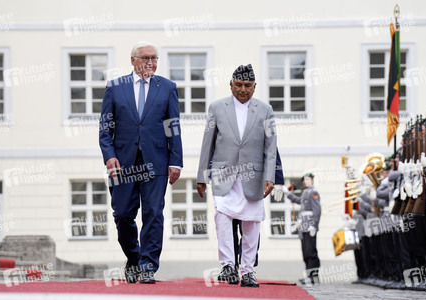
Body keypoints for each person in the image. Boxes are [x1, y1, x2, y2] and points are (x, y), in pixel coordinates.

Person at [99, 41, 183, 284]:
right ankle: (134, 258)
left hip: (156, 161)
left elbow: (172, 126)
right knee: (123, 214)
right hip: (122, 163)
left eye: (154, 58)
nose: (150, 62)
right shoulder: (115, 88)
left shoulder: (167, 88)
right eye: (145, 58)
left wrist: (176, 160)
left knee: (153, 213)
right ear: (133, 60)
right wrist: (109, 155)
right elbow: (106, 127)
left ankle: (148, 266)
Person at [196, 64, 276, 287]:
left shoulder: (265, 110)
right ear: (230, 85)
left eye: (248, 86)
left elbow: (271, 147)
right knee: (222, 217)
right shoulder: (216, 108)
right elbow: (207, 144)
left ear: (254, 87)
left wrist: (271, 176)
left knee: (252, 223)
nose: (243, 89)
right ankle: (228, 266)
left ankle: (248, 270)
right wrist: (202, 176)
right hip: (223, 174)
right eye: (238, 85)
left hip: (254, 176)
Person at [282, 173, 321, 284]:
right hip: (303, 227)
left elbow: (317, 211)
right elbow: (299, 201)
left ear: (312, 181)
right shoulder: (306, 193)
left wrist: (314, 225)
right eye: (305, 180)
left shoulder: (313, 192)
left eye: (308, 179)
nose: (306, 181)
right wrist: (288, 194)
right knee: (306, 253)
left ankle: (314, 276)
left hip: (310, 226)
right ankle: (308, 275)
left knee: (311, 253)